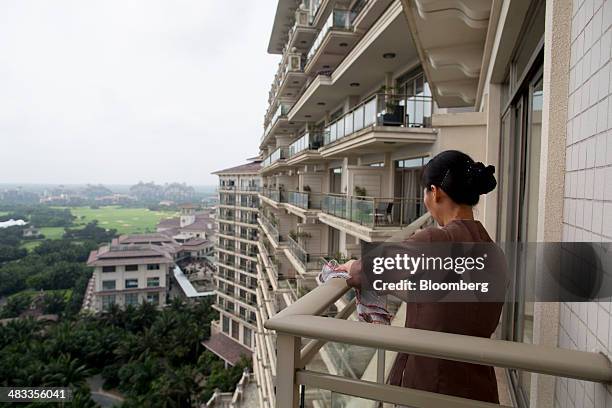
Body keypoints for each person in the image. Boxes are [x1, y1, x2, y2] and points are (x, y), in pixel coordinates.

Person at [334, 150, 503, 403]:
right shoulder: (494, 252)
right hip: (477, 385)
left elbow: (365, 270)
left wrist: (348, 266)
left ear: (435, 192)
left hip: (431, 385)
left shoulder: (435, 240)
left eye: (425, 191)